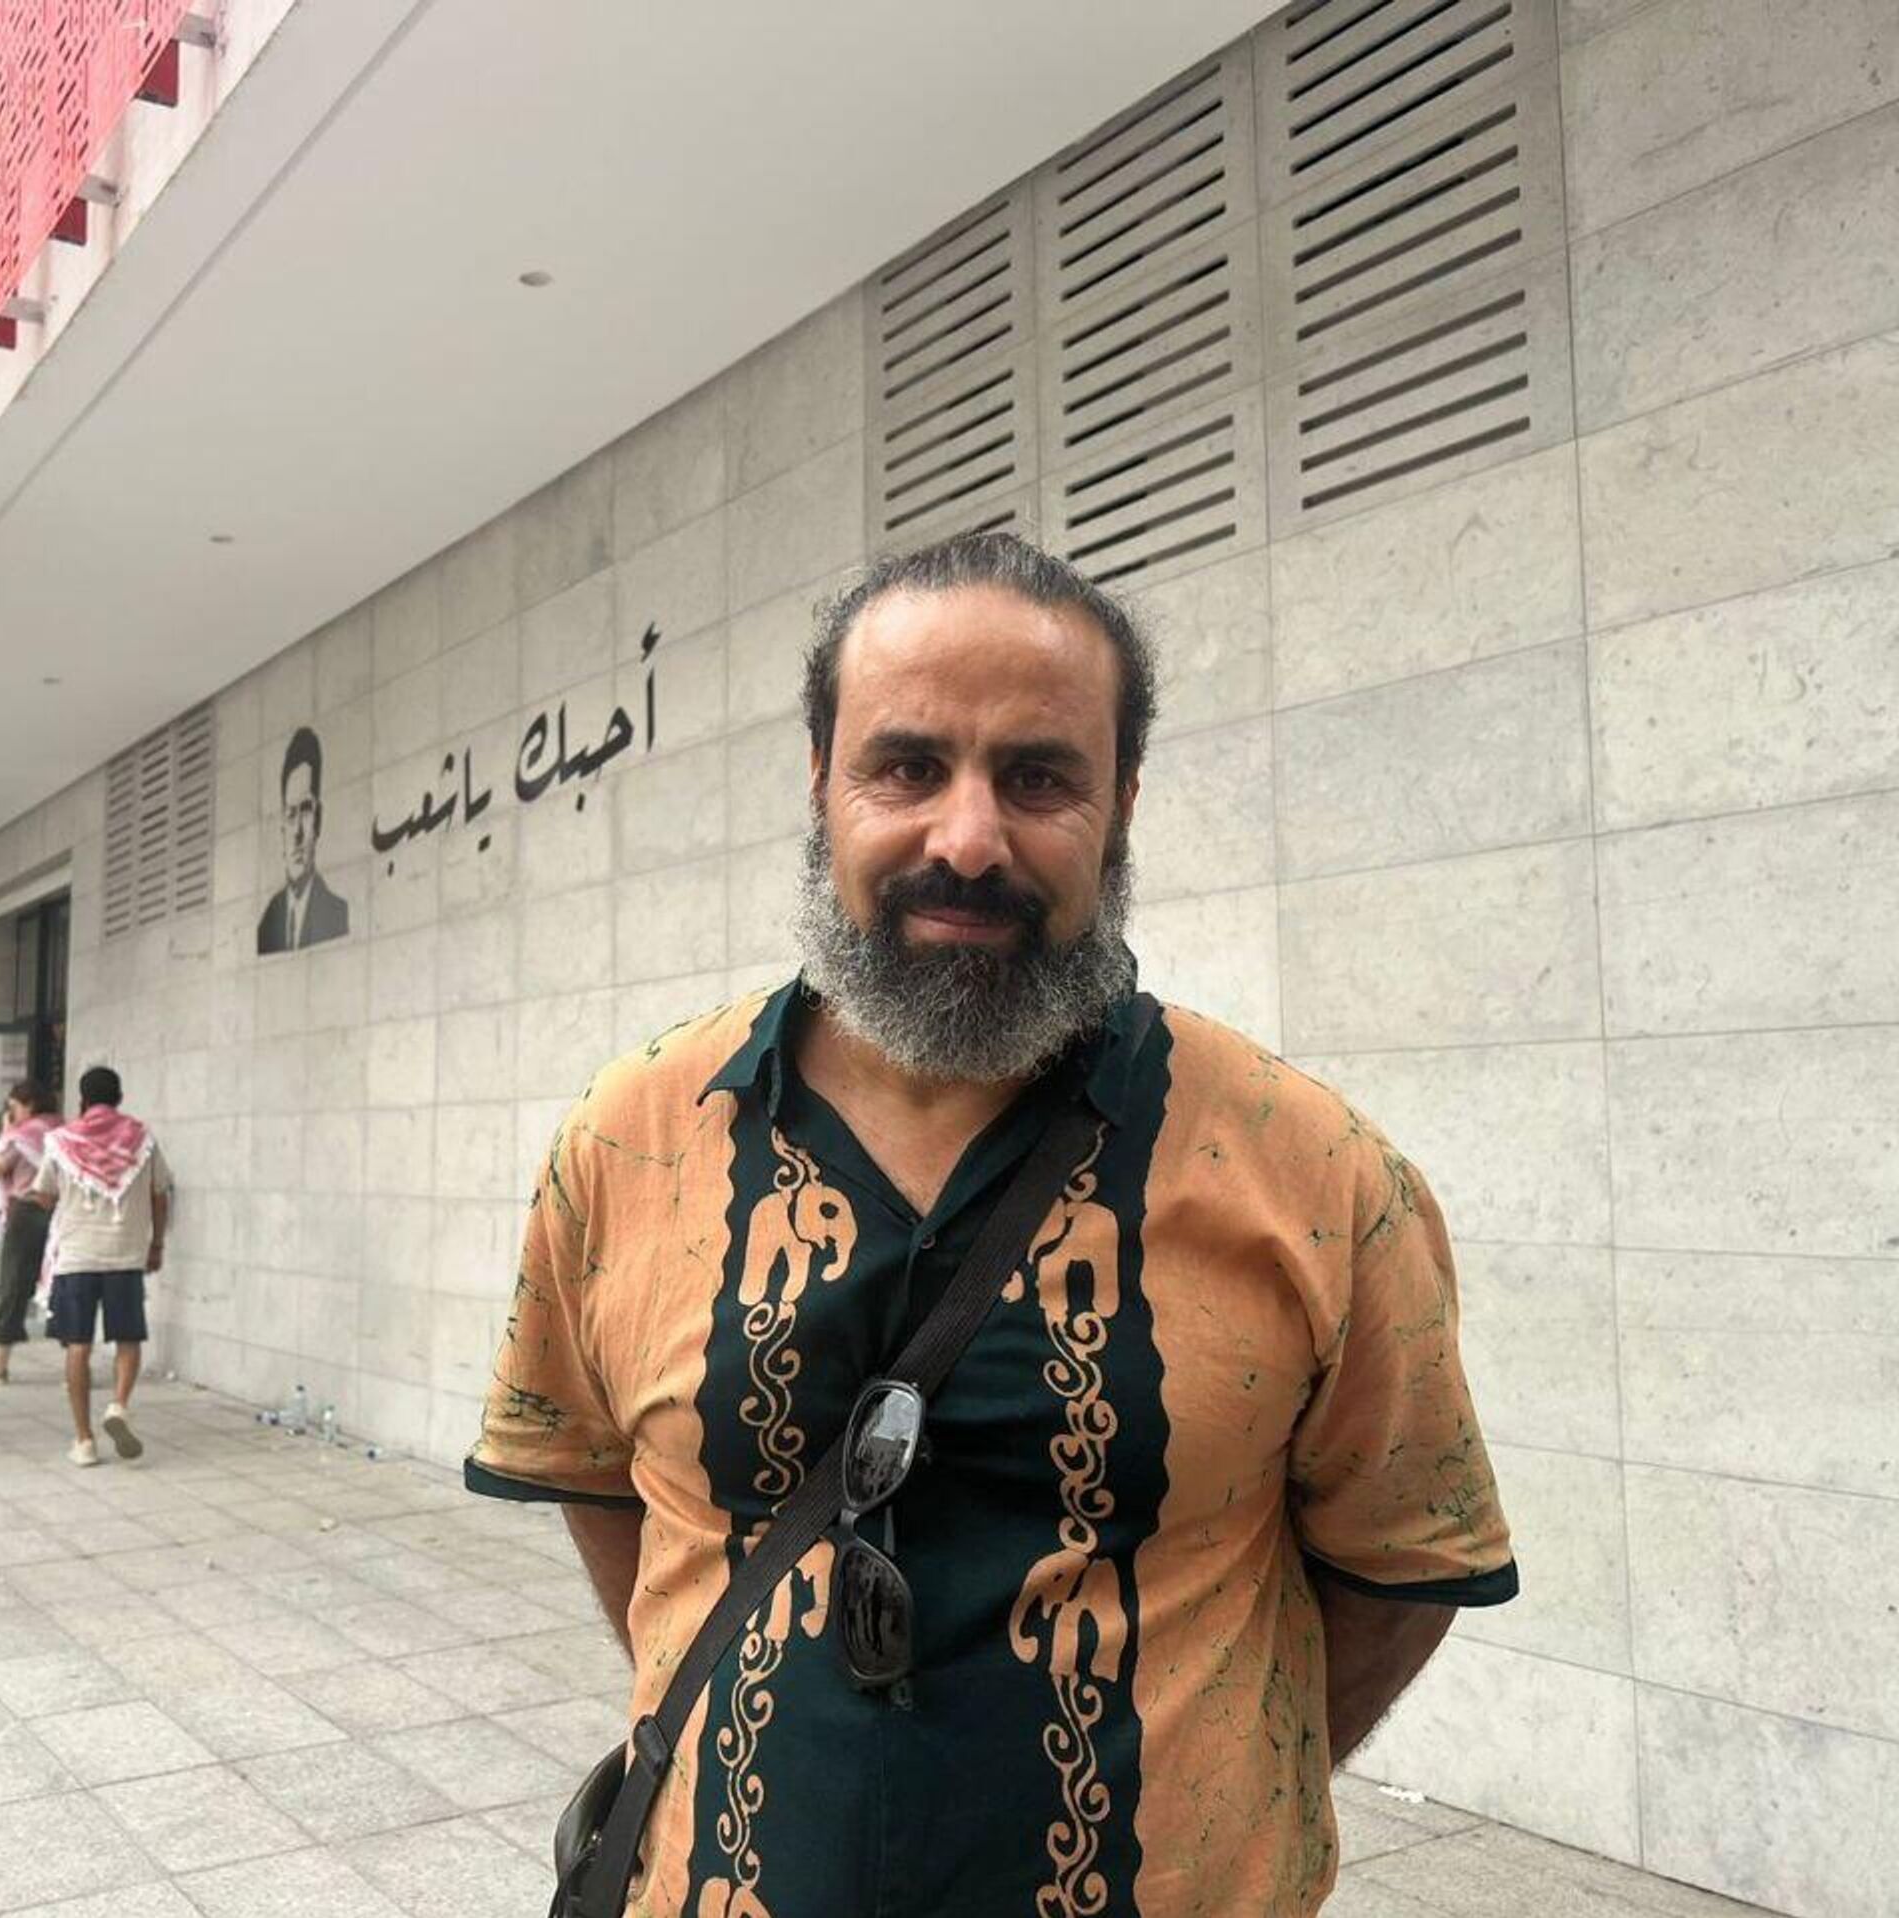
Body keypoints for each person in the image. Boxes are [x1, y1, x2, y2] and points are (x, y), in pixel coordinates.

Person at [467, 532, 1518, 1916]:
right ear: (820, 781)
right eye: (907, 767)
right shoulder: (629, 1139)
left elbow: (1402, 1565)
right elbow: (608, 1486)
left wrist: (1206, 1797)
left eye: (1038, 778)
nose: (967, 839)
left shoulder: (1316, 1173)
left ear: (1121, 802)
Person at [28, 1065, 172, 1466]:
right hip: (126, 1255)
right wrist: (156, 1244)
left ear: (83, 1101)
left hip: (77, 1256)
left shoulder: (61, 1141)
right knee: (128, 1339)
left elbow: (44, 1195)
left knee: (78, 1346)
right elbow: (160, 1194)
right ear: (119, 1098)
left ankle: (84, 1440)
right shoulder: (142, 1139)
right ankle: (118, 1406)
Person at [0, 1080, 60, 1383]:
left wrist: (6, 1132)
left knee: (13, 1286)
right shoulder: (61, 1129)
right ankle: (76, 1362)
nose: (11, 1113)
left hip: (26, 1212)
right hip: (59, 1214)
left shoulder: (24, 1135)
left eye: (13, 1106)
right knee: (61, 1285)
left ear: (29, 1105)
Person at [257, 724, 350, 953]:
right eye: (290, 814)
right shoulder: (266, 925)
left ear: (318, 820)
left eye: (306, 811)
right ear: (281, 827)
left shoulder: (338, 915)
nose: (297, 832)